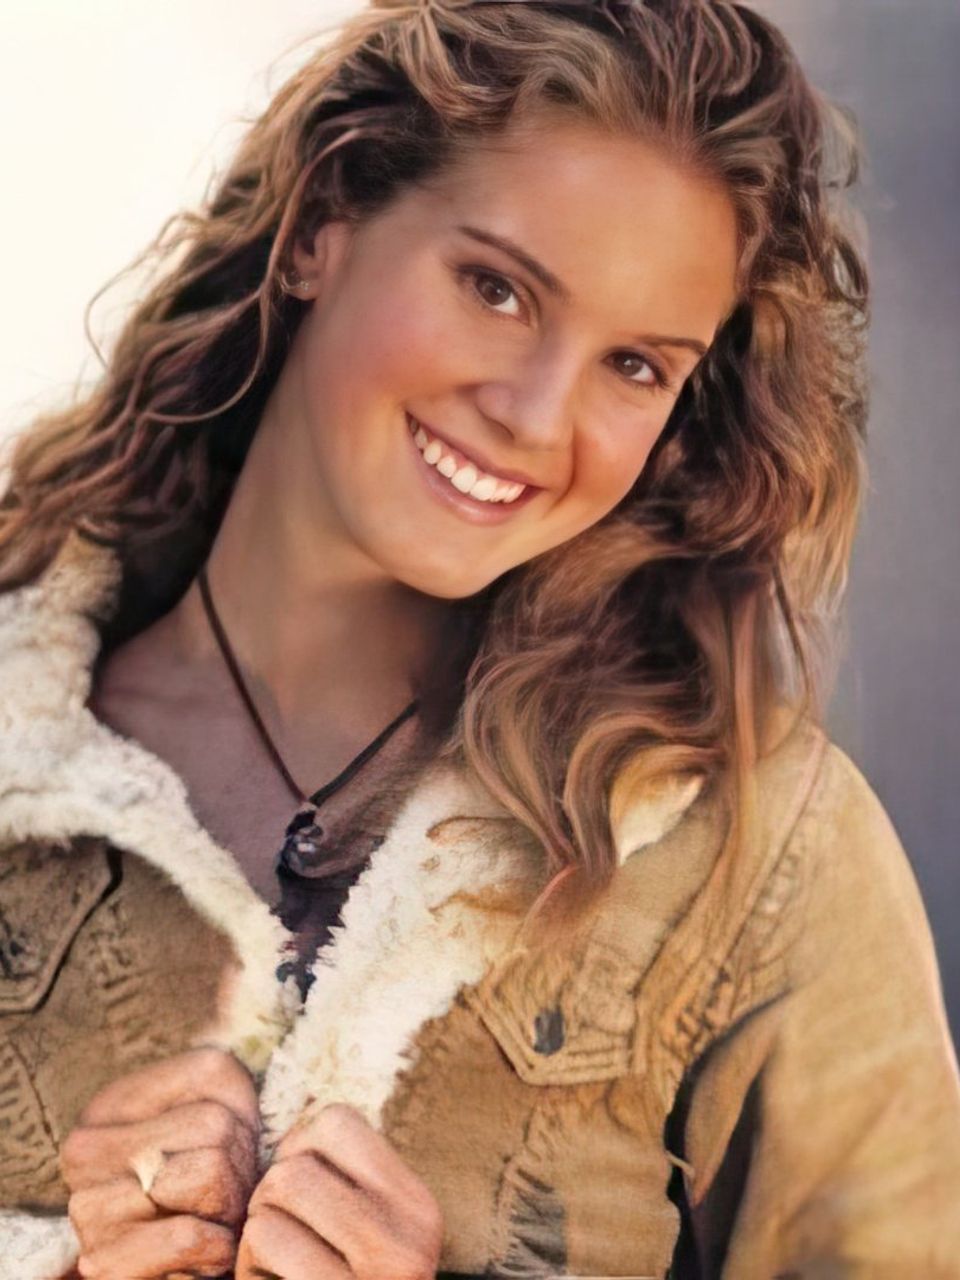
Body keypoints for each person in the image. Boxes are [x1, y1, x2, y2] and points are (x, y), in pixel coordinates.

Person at [1, 0, 958, 1275]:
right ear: (324, 223)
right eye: (497, 289)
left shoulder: (764, 847)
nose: (538, 417)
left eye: (636, 365)